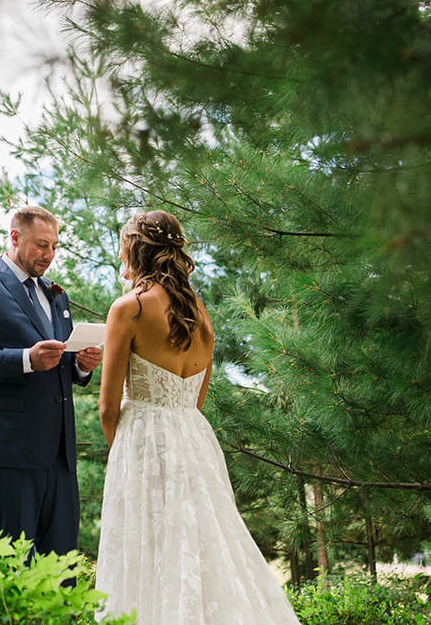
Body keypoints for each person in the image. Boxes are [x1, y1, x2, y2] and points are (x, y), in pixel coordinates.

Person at [94, 210, 301, 625]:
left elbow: (107, 406)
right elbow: (196, 398)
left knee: (147, 551)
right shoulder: (199, 313)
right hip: (194, 440)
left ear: (134, 251)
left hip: (141, 441)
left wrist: (126, 455)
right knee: (205, 544)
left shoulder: (128, 309)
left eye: (122, 250)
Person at [0, 205, 104, 556]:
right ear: (15, 237)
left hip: (59, 454)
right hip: (7, 450)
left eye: (54, 247)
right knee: (12, 566)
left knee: (61, 567)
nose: (49, 255)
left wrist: (82, 366)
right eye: (41, 245)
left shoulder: (55, 293)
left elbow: (61, 360)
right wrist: (26, 360)